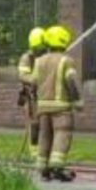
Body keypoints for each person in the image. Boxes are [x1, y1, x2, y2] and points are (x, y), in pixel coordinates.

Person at [33, 25, 81, 181]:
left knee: (45, 135)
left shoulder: (39, 61)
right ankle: (56, 165)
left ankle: (42, 167)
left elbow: (34, 82)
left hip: (43, 107)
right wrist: (77, 100)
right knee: (62, 132)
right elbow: (71, 81)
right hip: (61, 107)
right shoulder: (67, 61)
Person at [16, 26, 46, 159]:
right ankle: (34, 152)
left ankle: (44, 150)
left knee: (46, 123)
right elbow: (22, 76)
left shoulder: (46, 56)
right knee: (35, 123)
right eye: (39, 48)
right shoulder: (26, 58)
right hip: (32, 96)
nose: (41, 51)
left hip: (45, 94)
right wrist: (34, 79)